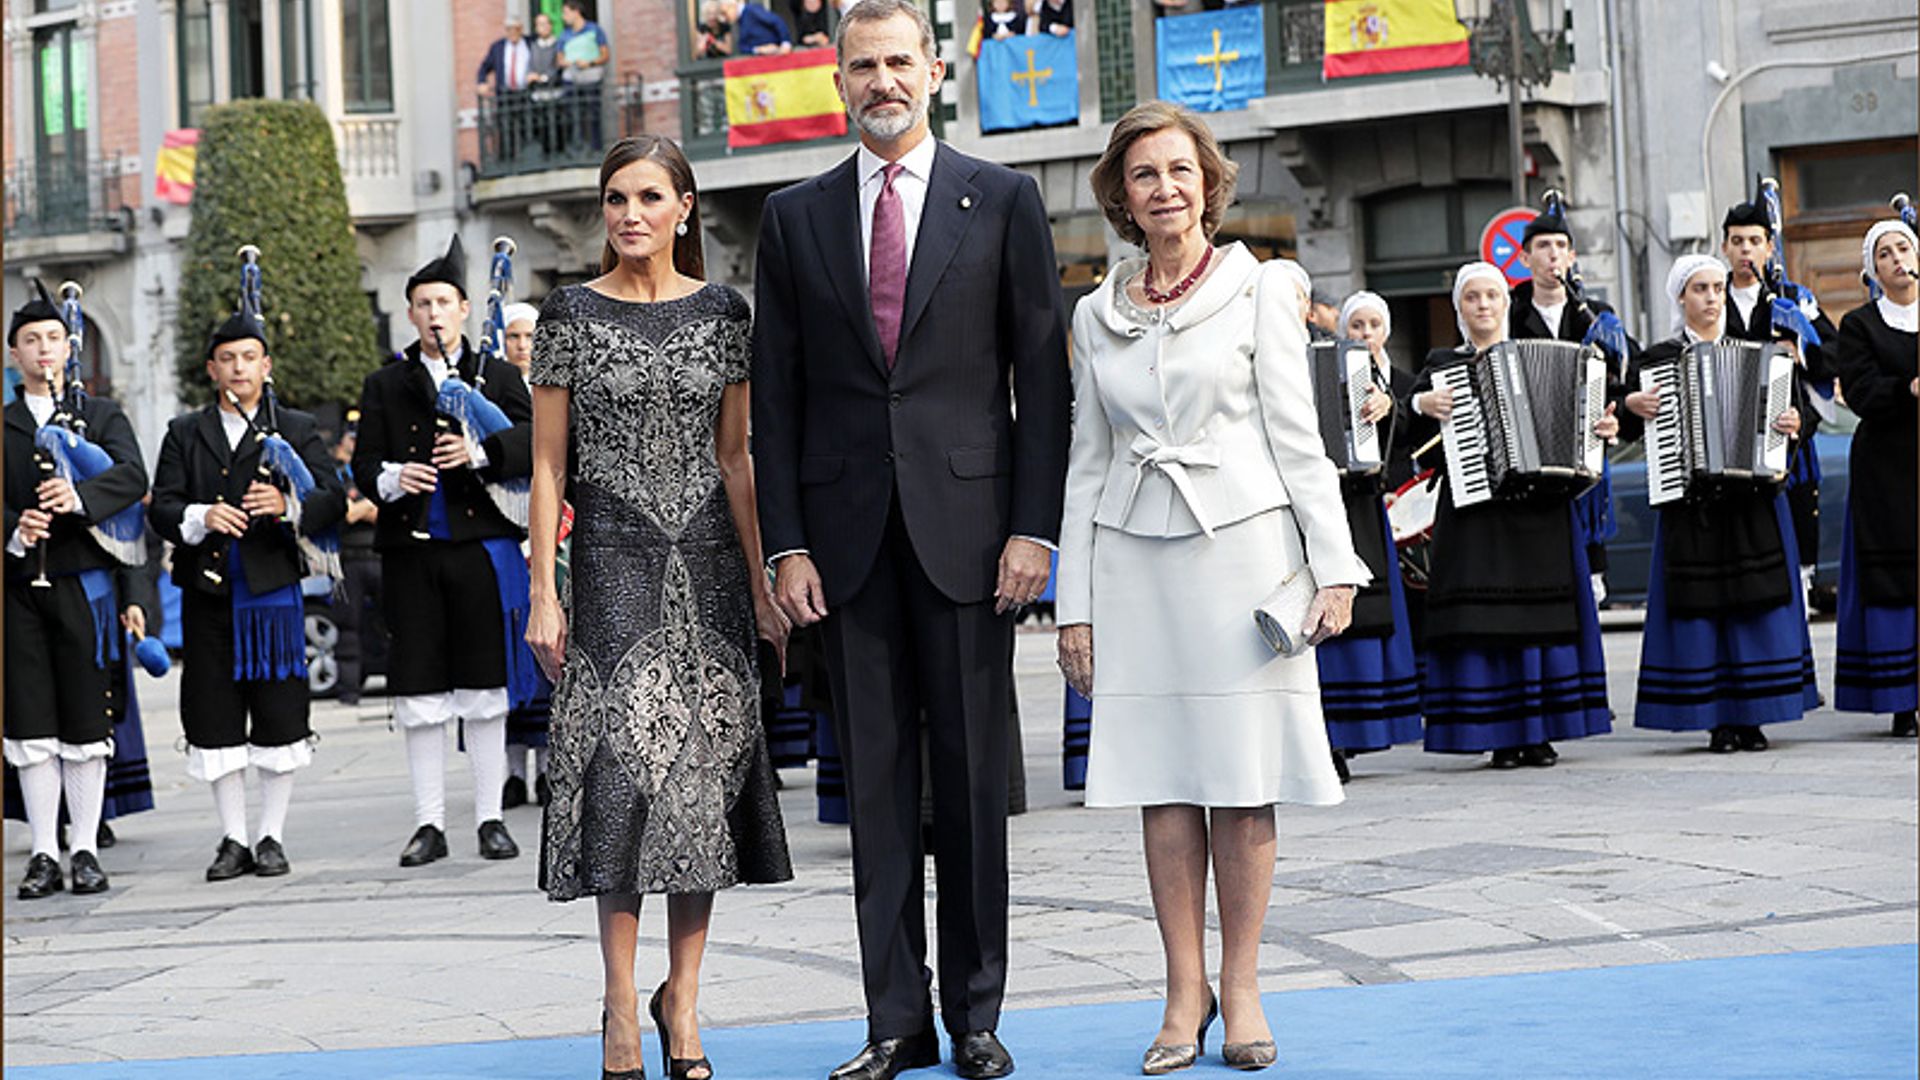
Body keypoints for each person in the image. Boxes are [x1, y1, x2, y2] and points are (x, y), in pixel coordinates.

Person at [750, 3, 1071, 1076]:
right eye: (861, 66)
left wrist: (1035, 527)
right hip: (845, 550)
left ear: (934, 71)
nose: (881, 80)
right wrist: (785, 546)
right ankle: (896, 1021)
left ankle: (977, 1015)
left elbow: (1043, 381)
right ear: (835, 80)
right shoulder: (793, 218)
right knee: (875, 797)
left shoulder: (1007, 199)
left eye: (898, 62)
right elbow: (776, 403)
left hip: (975, 540)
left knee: (974, 790)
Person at [1054, 102, 1364, 1075]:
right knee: (1162, 785)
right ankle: (1181, 992)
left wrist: (1337, 565)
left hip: (1242, 561)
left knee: (1241, 782)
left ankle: (1245, 985)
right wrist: (1074, 604)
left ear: (1209, 182)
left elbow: (1298, 439)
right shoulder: (1094, 315)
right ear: (1123, 196)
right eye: (1145, 175)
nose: (1166, 189)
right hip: (1133, 566)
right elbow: (1086, 462)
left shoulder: (1264, 289)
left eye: (1181, 171)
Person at [526, 134, 794, 1080]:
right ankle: (616, 1001)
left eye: (647, 196)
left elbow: (736, 458)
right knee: (620, 781)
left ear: (685, 206)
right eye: (613, 199)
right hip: (608, 564)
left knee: (701, 786)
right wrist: (543, 593)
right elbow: (549, 465)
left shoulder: (727, 313)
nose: (628, 214)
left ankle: (682, 1000)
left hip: (712, 570)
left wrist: (763, 583)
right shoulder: (569, 314)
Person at [352, 234, 535, 869]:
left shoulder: (500, 374)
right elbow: (364, 463)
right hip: (410, 552)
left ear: (463, 308)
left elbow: (537, 440)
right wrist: (393, 477)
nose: (433, 313)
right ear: (411, 313)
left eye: (443, 302)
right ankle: (429, 823)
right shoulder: (386, 383)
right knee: (421, 694)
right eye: (422, 303)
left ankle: (490, 818)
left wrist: (480, 454)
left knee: (485, 690)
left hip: (480, 551)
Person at [151, 308, 345, 880]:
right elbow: (161, 507)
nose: (239, 368)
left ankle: (271, 836)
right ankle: (232, 837)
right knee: (214, 718)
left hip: (272, 593)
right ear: (212, 369)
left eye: (249, 357)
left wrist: (288, 506)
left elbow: (332, 495)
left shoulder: (297, 427)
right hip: (208, 594)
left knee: (279, 715)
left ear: (266, 365)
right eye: (228, 359)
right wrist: (199, 513)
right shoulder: (185, 432)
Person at [1405, 262, 1617, 768]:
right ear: (1459, 308)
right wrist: (1420, 405)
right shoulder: (1441, 367)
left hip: (1540, 511)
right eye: (1472, 297)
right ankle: (1499, 733)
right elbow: (1418, 449)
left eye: (1492, 296)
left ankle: (1539, 732)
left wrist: (1601, 429)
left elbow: (1583, 427)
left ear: (1506, 303)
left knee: (1539, 625)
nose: (1483, 305)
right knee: (1487, 626)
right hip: (1475, 513)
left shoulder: (1547, 354)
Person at [1619, 255, 1815, 750]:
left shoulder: (1763, 356)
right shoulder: (1657, 360)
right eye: (1699, 289)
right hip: (1692, 504)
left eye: (1716, 287)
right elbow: (1619, 422)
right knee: (1702, 610)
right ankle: (1716, 720)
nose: (1711, 297)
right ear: (1681, 299)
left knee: (1754, 607)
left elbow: (1801, 415)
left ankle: (1755, 716)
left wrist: (1794, 425)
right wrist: (1629, 405)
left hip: (1751, 500)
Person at [4, 285, 148, 900]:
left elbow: (132, 478)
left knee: (87, 723)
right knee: (32, 725)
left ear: (70, 349)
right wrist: (12, 528)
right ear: (13, 355)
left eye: (53, 340)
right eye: (31, 341)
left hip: (85, 587)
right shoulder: (4, 424)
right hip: (17, 588)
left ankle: (84, 849)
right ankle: (42, 852)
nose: (43, 351)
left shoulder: (102, 416)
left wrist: (81, 499)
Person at [1308, 288, 1423, 777]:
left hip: (1367, 506)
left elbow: (1413, 444)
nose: (1365, 334)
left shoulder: (1394, 380)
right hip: (1322, 503)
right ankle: (1327, 740)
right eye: (1357, 327)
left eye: (1374, 326)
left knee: (1370, 616)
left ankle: (1359, 731)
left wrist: (1392, 406)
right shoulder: (1320, 362)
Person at [1508, 195, 1637, 605]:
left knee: (1587, 586)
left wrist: (1617, 416)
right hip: (1528, 451)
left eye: (1561, 246)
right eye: (1543, 247)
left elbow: (1623, 380)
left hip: (1585, 456)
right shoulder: (1509, 311)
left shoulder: (1595, 314)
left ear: (1572, 256)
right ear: (1525, 258)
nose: (1553, 256)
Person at [1720, 197, 1839, 611]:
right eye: (1737, 241)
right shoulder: (1710, 297)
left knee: (1795, 561)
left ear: (1770, 247)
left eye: (1755, 240)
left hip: (1791, 449)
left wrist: (1799, 349)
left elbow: (1836, 354)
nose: (1746, 249)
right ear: (1725, 248)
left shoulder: (1794, 297)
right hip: (1728, 446)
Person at [1831, 218, 1919, 737]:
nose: (1895, 258)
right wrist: (1906, 389)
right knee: (1897, 580)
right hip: (1888, 464)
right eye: (1884, 253)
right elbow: (1860, 391)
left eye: (1902, 247)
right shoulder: (1860, 325)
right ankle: (1901, 699)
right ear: (1874, 269)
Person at [497, 300, 551, 808]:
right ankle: (511, 770)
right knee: (509, 654)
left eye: (530, 337)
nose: (522, 346)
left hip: (555, 533)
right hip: (506, 528)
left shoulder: (558, 386)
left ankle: (549, 768)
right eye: (513, 337)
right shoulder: (488, 389)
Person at [329, 419, 380, 707]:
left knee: (393, 623)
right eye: (350, 438)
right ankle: (349, 690)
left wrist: (365, 509)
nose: (354, 443)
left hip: (380, 555)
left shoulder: (373, 470)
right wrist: (368, 507)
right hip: (349, 560)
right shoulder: (338, 475)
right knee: (348, 628)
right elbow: (344, 513)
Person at [477, 16, 535, 163]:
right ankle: (506, 159)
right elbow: (484, 67)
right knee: (505, 127)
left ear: (521, 29)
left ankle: (527, 157)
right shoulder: (498, 47)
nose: (512, 33)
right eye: (508, 29)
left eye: (515, 29)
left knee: (527, 125)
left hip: (526, 93)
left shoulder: (530, 43)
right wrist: (482, 82)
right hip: (505, 94)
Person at [558, 0, 611, 149]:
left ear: (576, 12)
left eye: (566, 13)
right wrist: (568, 62)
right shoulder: (564, 35)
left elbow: (605, 55)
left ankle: (596, 147)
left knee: (593, 114)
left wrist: (589, 63)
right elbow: (559, 59)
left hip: (591, 77)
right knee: (572, 114)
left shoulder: (594, 30)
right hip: (571, 78)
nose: (564, 17)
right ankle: (576, 147)